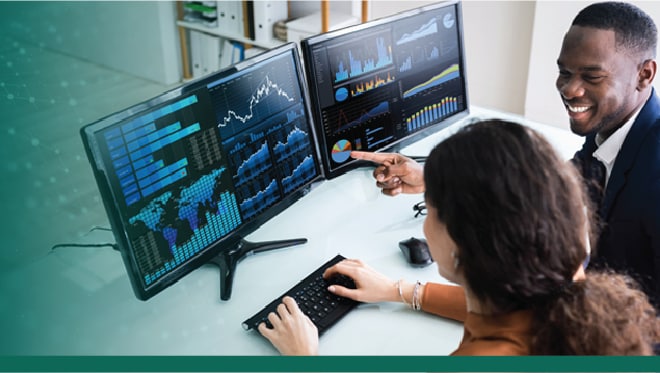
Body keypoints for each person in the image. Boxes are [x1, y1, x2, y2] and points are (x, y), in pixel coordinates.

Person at [258, 120, 660, 355]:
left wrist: (305, 360)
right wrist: (401, 289)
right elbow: (516, 312)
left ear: (464, 243)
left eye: (431, 208)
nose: (423, 224)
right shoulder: (569, 289)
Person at [354, 1, 660, 308]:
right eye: (564, 72)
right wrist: (433, 180)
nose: (569, 90)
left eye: (591, 77)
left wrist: (403, 291)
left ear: (644, 74)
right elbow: (544, 185)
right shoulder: (610, 131)